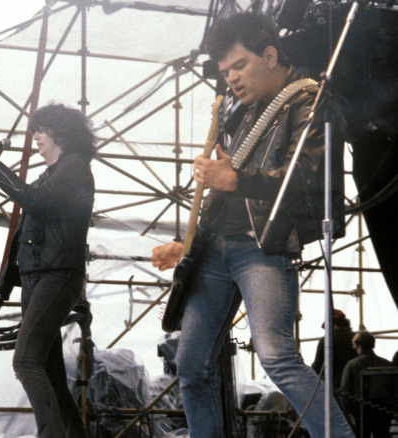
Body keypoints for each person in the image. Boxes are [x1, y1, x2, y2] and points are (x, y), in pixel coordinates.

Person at [150, 13, 354, 438]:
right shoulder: (241, 114)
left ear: (270, 54)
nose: (231, 79)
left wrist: (236, 179)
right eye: (225, 72)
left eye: (238, 65)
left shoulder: (309, 100)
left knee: (277, 355)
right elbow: (222, 195)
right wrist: (187, 243)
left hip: (263, 248)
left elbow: (310, 177)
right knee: (190, 365)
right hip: (215, 249)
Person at [0, 103, 95, 438]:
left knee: (25, 361)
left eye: (41, 130)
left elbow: (36, 199)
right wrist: (0, 294)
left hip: (57, 275)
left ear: (60, 132)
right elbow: (21, 240)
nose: (36, 137)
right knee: (49, 373)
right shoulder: (50, 174)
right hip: (37, 278)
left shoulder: (74, 167)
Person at [339, 331, 396, 438]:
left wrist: (349, 413)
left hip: (361, 411)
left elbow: (344, 391)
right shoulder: (387, 364)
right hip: (383, 410)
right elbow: (395, 390)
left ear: (358, 346)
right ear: (373, 345)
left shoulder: (352, 365)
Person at [311, 309, 357, 390]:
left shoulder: (326, 340)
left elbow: (317, 367)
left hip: (334, 387)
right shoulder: (357, 337)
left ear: (332, 324)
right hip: (356, 385)